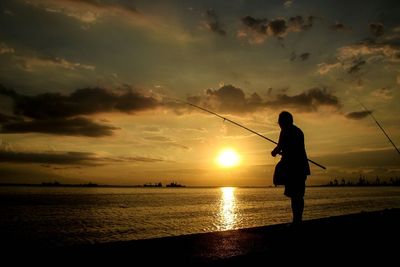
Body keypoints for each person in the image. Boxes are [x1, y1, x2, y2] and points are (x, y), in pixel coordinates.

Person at [271, 111, 310, 225]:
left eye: (280, 121)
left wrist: (274, 152)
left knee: (295, 195)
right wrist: (284, 151)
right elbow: (293, 149)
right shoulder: (298, 131)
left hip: (293, 168)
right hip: (302, 167)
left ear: (283, 122)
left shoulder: (285, 131)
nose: (279, 124)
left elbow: (280, 146)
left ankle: (296, 221)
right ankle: (298, 220)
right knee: (298, 195)